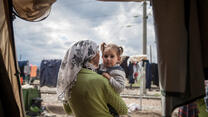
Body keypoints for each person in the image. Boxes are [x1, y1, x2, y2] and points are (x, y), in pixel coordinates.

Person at [56, 40, 128, 117]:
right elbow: (123, 110)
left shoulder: (69, 80)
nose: (99, 55)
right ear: (92, 56)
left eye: (112, 56)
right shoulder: (100, 80)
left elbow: (68, 110)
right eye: (97, 52)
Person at [97, 42, 126, 117]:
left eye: (112, 56)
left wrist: (110, 78)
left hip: (111, 104)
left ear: (118, 59)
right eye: (105, 56)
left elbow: (120, 88)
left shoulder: (118, 71)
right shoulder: (100, 67)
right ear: (102, 57)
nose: (108, 59)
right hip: (101, 101)